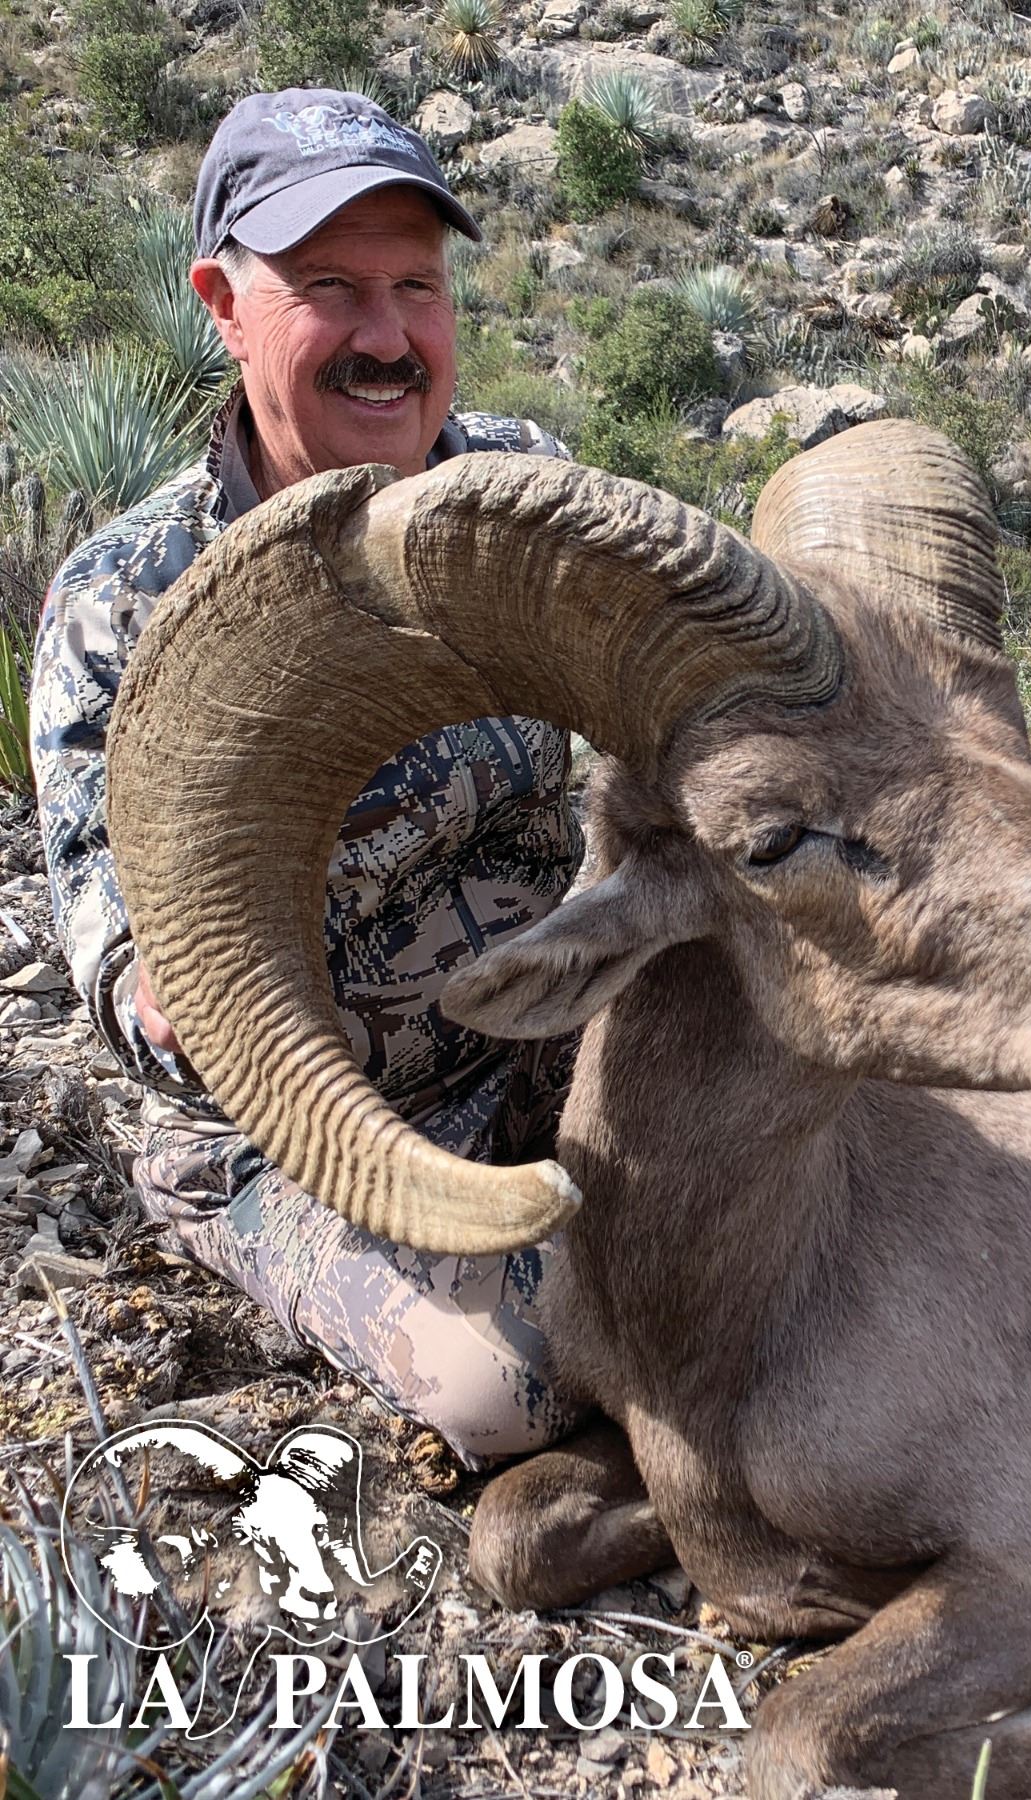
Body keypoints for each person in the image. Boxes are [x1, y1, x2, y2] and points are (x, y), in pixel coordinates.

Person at [29, 89, 596, 1470]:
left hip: (547, 1029)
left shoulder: (525, 489)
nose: (388, 338)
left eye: (418, 287)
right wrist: (166, 994)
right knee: (511, 1385)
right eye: (330, 289)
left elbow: (650, 747)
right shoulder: (124, 600)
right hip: (293, 1121)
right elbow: (110, 918)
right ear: (224, 306)